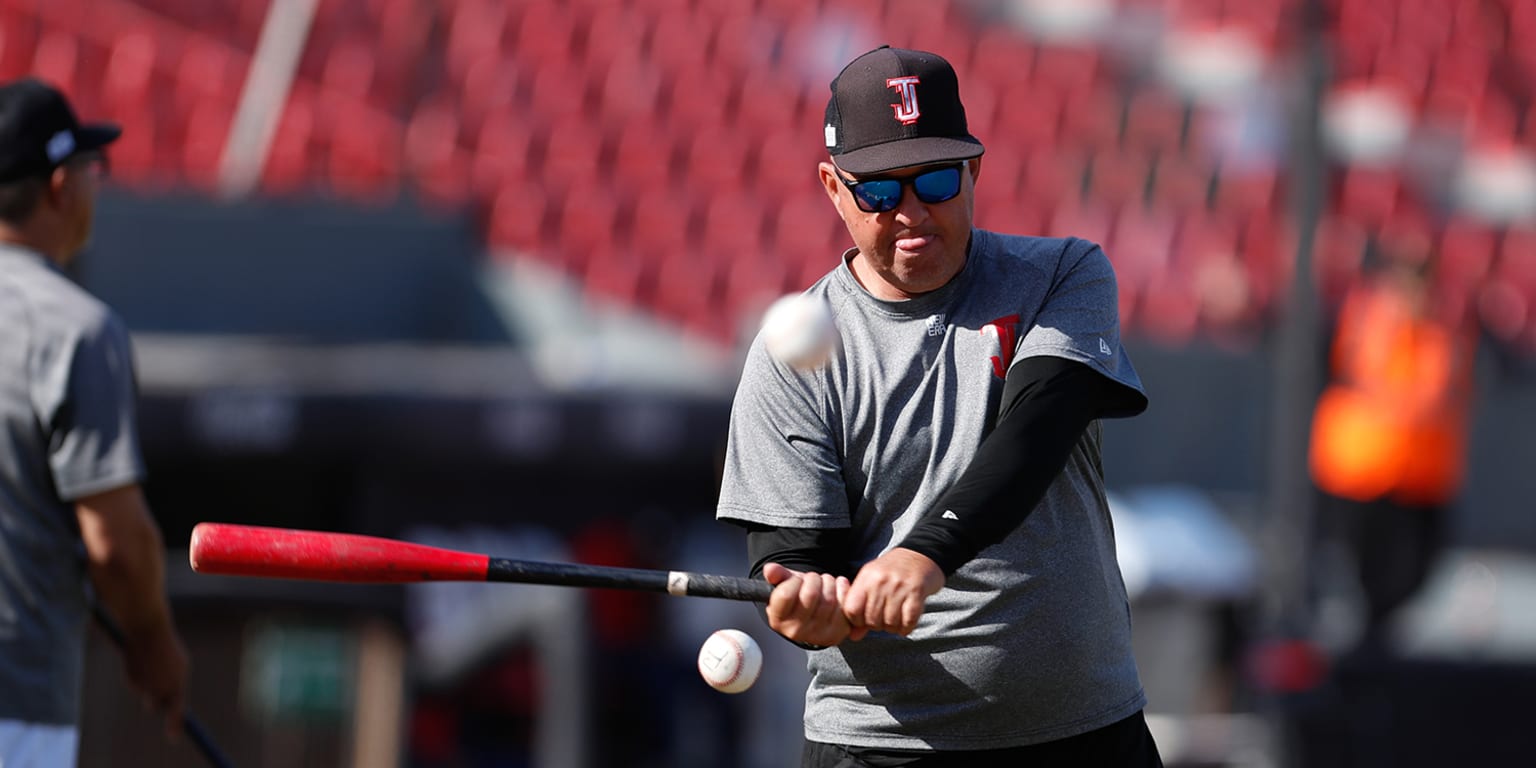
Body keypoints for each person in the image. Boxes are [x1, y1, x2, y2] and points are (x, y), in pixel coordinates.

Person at [717, 47, 1162, 766]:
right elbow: (791, 561)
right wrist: (807, 607)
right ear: (833, 188)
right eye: (880, 194)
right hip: (883, 748)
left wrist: (926, 553)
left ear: (974, 172)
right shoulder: (786, 356)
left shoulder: (1063, 274)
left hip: (1086, 735)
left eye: (935, 180)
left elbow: (1038, 430)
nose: (913, 213)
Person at [0, 78, 189, 764]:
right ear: (59, 185)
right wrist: (155, 647)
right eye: (90, 169)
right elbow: (116, 545)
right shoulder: (75, 329)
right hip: (13, 706)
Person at [1308, 234, 1475, 650]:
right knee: (1353, 578)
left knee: (1409, 578)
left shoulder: (1444, 328)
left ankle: (1374, 653)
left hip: (1419, 479)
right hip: (1361, 474)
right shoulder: (1365, 318)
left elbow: (1441, 393)